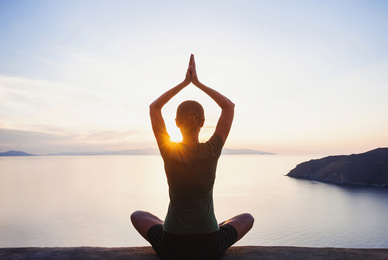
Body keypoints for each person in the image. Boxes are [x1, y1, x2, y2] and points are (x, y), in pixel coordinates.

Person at [131, 54, 254, 260]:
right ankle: (212, 226)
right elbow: (229, 107)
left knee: (138, 215)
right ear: (203, 122)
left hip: (172, 244)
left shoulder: (169, 151)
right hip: (209, 244)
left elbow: (154, 108)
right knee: (246, 218)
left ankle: (176, 226)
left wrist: (184, 83)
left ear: (177, 122)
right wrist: (197, 83)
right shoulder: (212, 150)